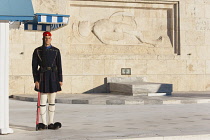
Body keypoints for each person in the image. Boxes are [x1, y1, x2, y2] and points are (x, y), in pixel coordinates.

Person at [32, 31, 63, 130]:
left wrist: (60, 79)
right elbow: (34, 67)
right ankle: (44, 123)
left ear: (51, 39)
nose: (47, 40)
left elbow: (59, 66)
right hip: (43, 77)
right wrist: (36, 80)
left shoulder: (56, 51)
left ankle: (51, 122)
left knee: (52, 100)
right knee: (43, 101)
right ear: (43, 39)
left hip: (53, 77)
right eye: (45, 38)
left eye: (49, 38)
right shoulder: (37, 51)